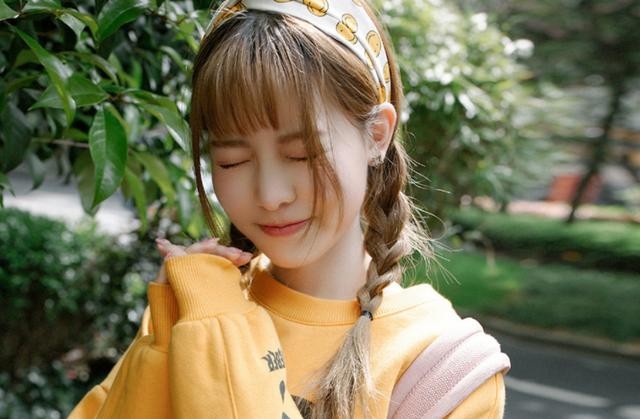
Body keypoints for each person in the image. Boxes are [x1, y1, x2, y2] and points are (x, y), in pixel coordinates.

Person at [69, 0, 510, 418]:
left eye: (302, 154)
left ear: (376, 135)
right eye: (232, 160)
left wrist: (218, 333)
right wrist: (168, 336)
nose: (270, 195)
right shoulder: (194, 305)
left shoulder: (444, 373)